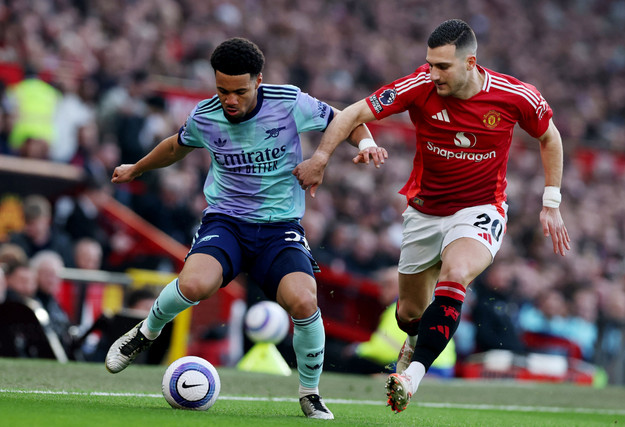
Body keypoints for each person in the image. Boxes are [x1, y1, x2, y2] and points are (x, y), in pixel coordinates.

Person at [293, 19, 571, 413]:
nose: (433, 73)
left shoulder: (515, 96)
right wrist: (321, 157)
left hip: (480, 208)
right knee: (409, 315)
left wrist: (552, 201)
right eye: (430, 63)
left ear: (470, 63)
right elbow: (354, 112)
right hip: (424, 213)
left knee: (455, 274)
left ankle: (412, 375)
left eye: (442, 66)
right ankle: (414, 341)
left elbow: (549, 137)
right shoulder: (419, 85)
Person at [104, 37, 386, 420]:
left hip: (279, 227)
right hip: (227, 221)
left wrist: (366, 142)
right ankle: (145, 333)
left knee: (304, 301)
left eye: (239, 91)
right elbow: (175, 146)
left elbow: (347, 119)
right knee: (192, 285)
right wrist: (136, 167)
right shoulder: (206, 116)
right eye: (222, 90)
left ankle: (310, 393)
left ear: (259, 80)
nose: (230, 100)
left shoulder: (289, 102)